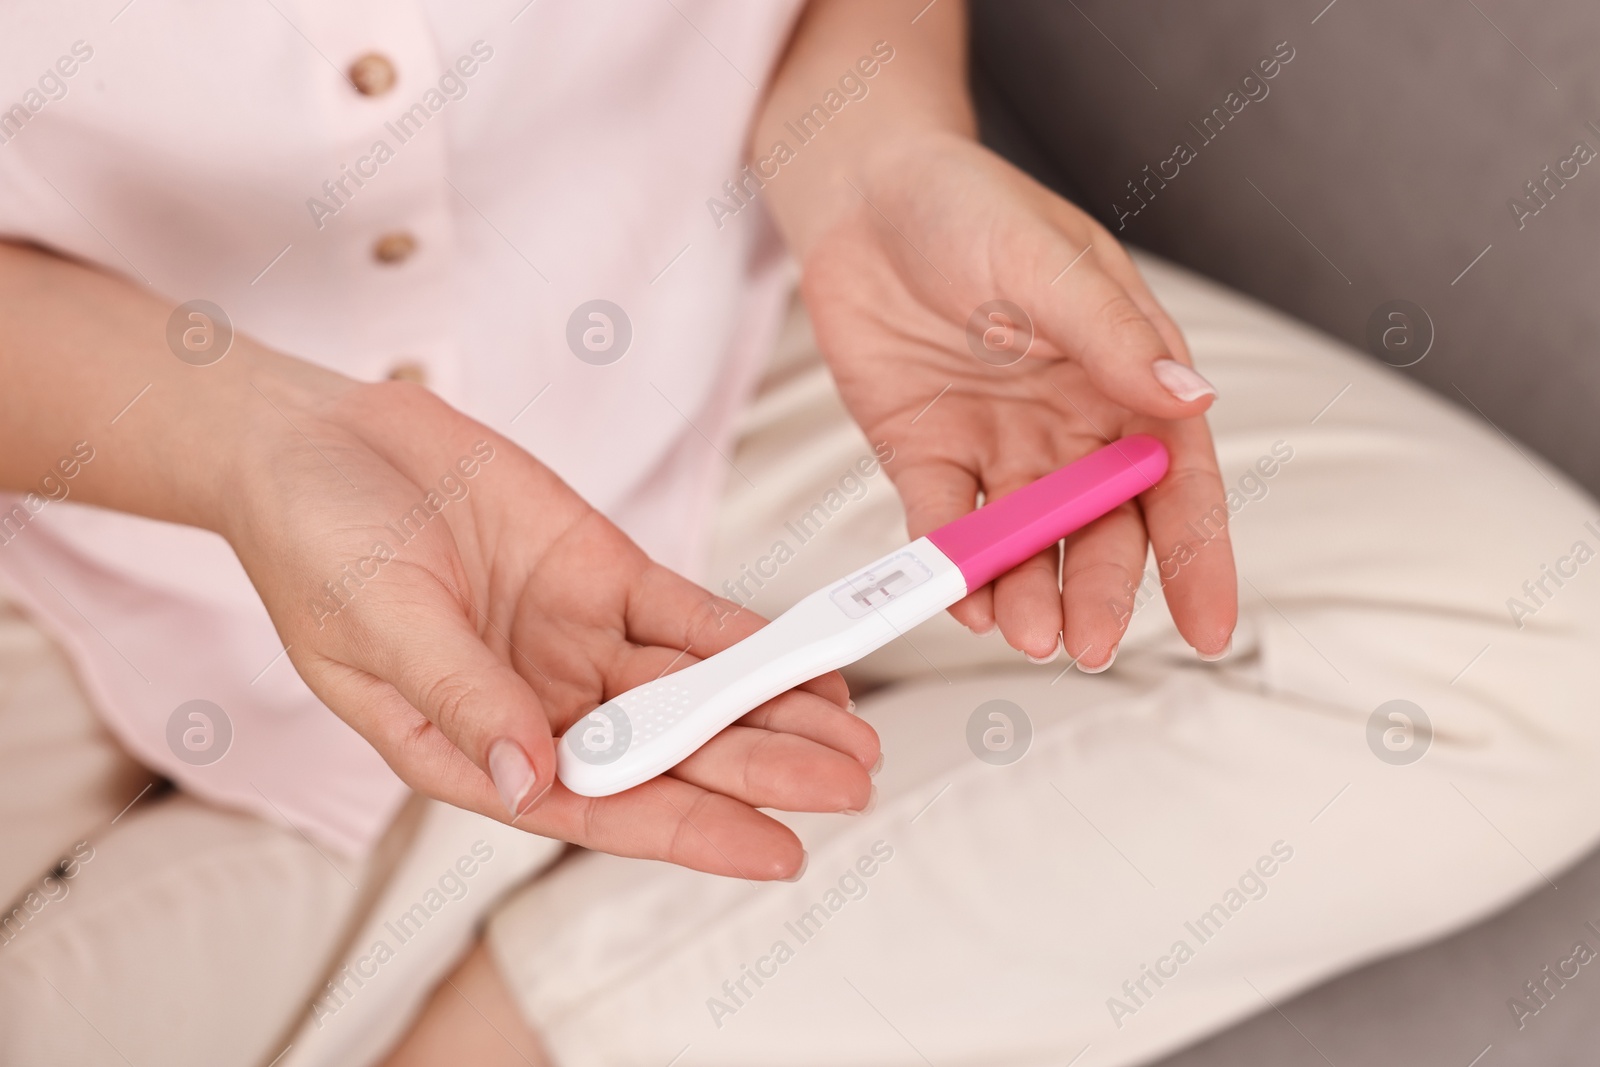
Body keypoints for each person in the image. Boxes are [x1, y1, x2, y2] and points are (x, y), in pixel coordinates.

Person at [2, 3, 1597, 1065]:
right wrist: (240, 440)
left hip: (752, 336)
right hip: (88, 463)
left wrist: (875, 152)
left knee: (1539, 658)